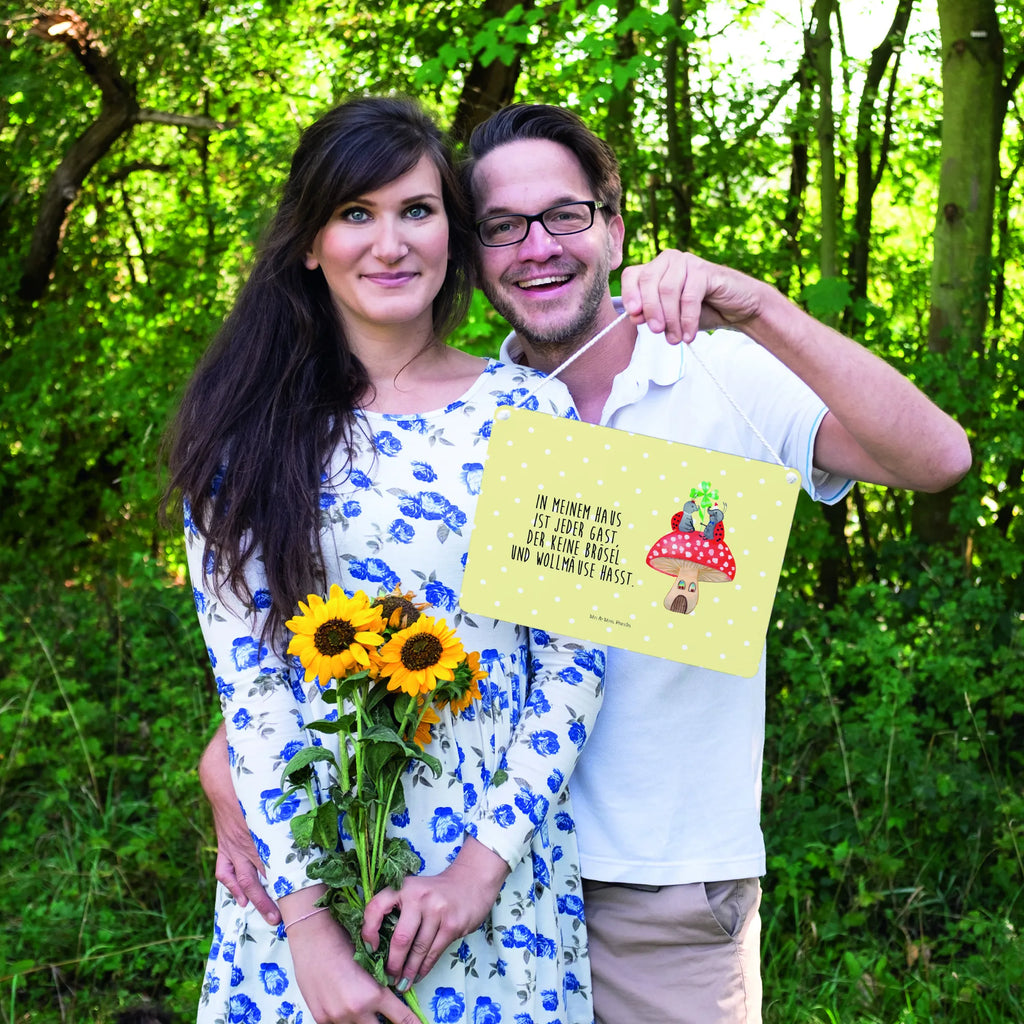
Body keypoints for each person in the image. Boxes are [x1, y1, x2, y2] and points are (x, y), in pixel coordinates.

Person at [201, 102, 972, 1024]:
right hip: (431, 876)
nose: (537, 247)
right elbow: (334, 632)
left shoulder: (712, 372)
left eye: (564, 215)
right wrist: (235, 768)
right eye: (502, 227)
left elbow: (938, 461)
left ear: (612, 226)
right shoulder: (459, 414)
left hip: (654, 887)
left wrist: (760, 306)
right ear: (474, 251)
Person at [164, 96, 611, 1024]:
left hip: (493, 889)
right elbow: (252, 693)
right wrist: (312, 937)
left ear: (452, 229)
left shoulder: (536, 413)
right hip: (303, 889)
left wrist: (477, 873)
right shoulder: (241, 438)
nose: (391, 242)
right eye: (355, 214)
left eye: (417, 210)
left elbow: (574, 664)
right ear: (308, 243)